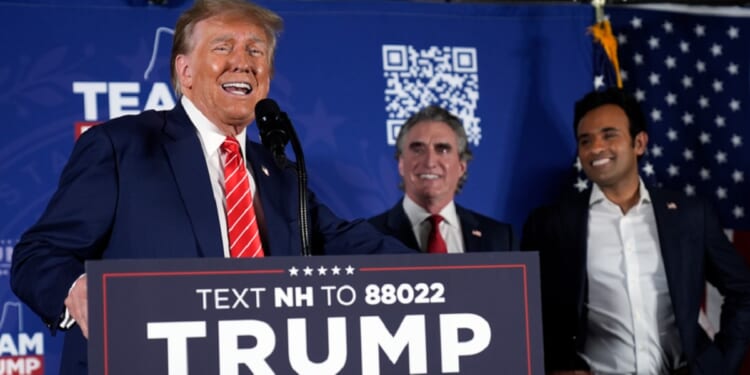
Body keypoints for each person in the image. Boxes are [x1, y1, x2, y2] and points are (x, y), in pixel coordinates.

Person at [10, 1, 411, 374]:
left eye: (256, 52)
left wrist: (455, 277)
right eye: (223, 47)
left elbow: (347, 242)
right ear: (184, 72)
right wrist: (78, 289)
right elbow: (38, 256)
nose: (243, 63)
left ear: (267, 79)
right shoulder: (122, 147)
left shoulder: (281, 173)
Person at [521, 87, 750, 374]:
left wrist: (719, 364)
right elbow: (527, 312)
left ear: (639, 143)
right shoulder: (550, 224)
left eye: (609, 135)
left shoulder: (690, 215)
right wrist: (557, 366)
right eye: (585, 140)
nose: (596, 148)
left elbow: (743, 290)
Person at [368, 105, 513, 253]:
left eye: (442, 149)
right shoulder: (368, 236)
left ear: (461, 167)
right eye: (418, 149)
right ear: (401, 164)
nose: (430, 162)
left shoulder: (499, 237)